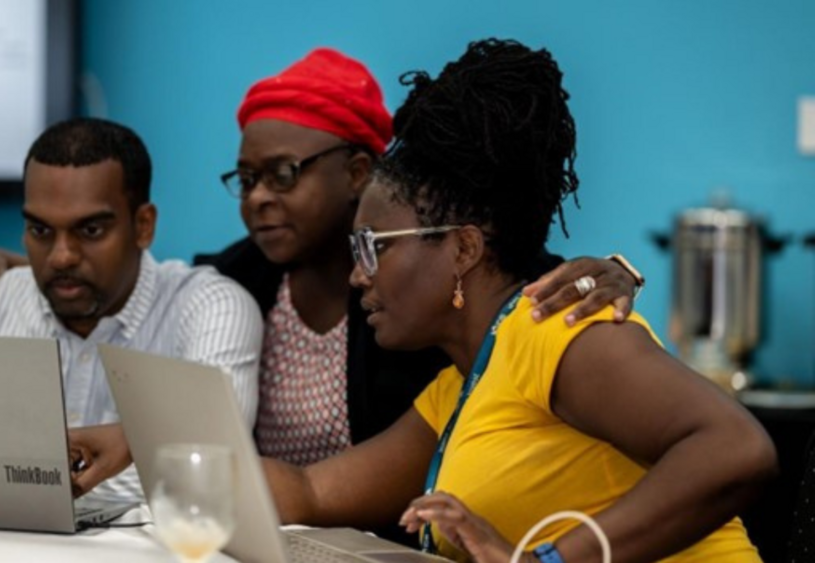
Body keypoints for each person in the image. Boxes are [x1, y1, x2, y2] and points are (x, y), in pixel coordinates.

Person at [0, 49, 643, 466]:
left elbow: (501, 268)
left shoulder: (418, 290)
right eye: (247, 178)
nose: (258, 197)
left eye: (284, 174)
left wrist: (611, 265)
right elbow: (132, 272)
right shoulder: (238, 281)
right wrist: (26, 264)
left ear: (359, 172)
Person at [262, 38, 776, 563]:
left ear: (463, 248)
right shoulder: (459, 388)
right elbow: (310, 492)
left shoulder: (554, 329)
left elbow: (736, 448)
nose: (356, 276)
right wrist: (187, 460)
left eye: (373, 247)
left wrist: (545, 561)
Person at [0, 118, 263, 501]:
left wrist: (0, 480)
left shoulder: (211, 309)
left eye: (90, 230)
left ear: (143, 226)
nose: (61, 257)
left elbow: (210, 468)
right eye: (41, 231)